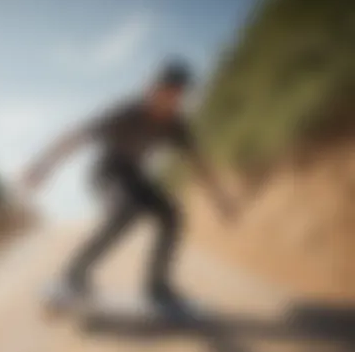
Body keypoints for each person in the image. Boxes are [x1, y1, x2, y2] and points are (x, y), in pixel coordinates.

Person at [21, 59, 237, 313]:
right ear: (151, 89)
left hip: (134, 175)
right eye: (162, 92)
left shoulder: (176, 126)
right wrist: (42, 166)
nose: (167, 101)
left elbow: (199, 163)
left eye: (175, 96)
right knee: (126, 211)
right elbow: (77, 136)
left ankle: (158, 287)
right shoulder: (126, 114)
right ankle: (74, 276)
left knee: (171, 215)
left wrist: (219, 198)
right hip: (106, 173)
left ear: (180, 97)